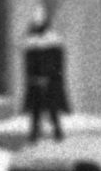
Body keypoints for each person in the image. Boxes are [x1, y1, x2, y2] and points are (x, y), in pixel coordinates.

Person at [22, 10, 68, 140]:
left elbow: (56, 64)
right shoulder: (33, 42)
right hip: (37, 81)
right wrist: (35, 77)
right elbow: (29, 65)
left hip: (49, 81)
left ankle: (56, 132)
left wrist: (48, 76)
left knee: (51, 109)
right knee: (37, 110)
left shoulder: (52, 42)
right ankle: (36, 133)